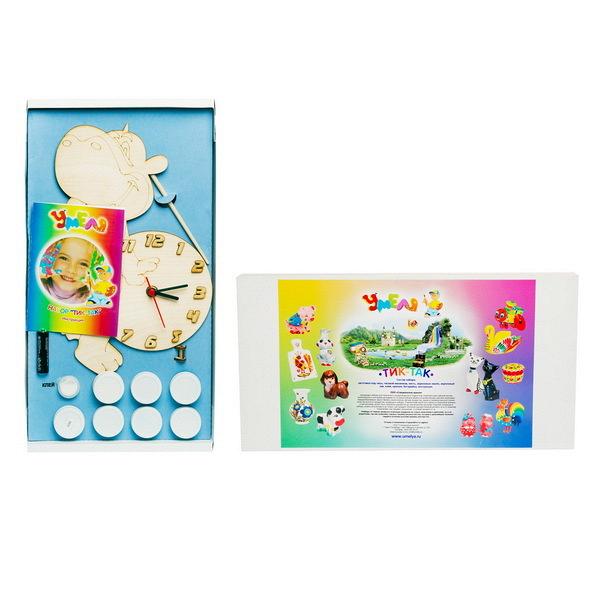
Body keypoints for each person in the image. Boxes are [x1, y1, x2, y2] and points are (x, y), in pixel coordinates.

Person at [40, 237, 94, 304]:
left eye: (83, 264)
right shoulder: (35, 286)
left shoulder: (92, 299)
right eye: (64, 258)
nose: (71, 270)